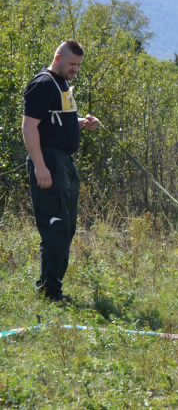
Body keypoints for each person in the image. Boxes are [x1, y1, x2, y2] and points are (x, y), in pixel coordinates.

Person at [22, 39, 99, 303]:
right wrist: (40, 166)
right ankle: (50, 293)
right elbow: (29, 126)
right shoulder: (42, 84)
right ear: (57, 59)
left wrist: (82, 123)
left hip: (65, 163)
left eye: (78, 65)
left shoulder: (62, 84)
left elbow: (56, 123)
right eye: (72, 64)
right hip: (50, 162)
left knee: (66, 228)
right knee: (55, 228)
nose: (75, 69)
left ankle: (50, 287)